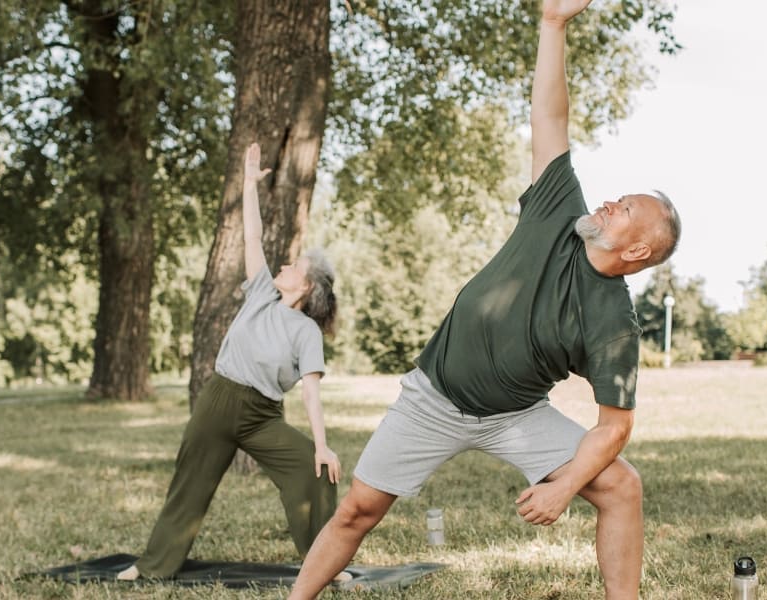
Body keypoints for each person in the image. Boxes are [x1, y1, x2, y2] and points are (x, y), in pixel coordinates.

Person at [287, 0, 681, 597]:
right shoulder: (557, 211)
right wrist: (552, 24)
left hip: (514, 417)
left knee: (622, 486)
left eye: (624, 210)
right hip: (434, 396)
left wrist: (565, 484)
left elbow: (614, 428)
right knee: (358, 512)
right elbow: (550, 117)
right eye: (617, 197)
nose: (607, 203)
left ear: (636, 253)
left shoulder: (613, 322)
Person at [118, 141, 342, 581]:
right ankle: (152, 567)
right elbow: (253, 235)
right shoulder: (261, 292)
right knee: (190, 484)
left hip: (262, 416)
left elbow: (312, 393)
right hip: (219, 401)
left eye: (293, 265)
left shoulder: (306, 332)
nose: (283, 264)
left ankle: (325, 567)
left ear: (306, 287)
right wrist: (248, 184)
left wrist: (321, 444)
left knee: (313, 469)